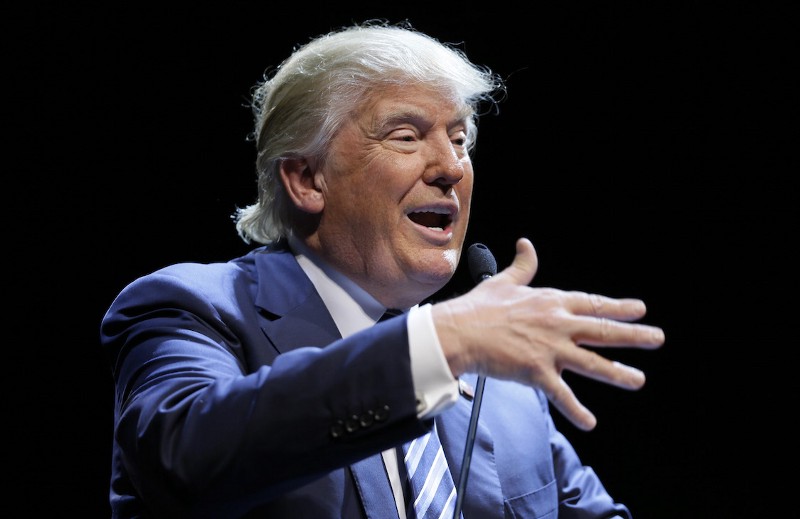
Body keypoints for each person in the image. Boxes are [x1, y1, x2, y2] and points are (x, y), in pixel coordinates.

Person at [100, 20, 665, 518]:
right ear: (306, 179)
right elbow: (185, 461)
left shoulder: (500, 383)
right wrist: (437, 344)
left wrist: (451, 346)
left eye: (460, 138)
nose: (450, 167)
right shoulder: (194, 308)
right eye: (406, 136)